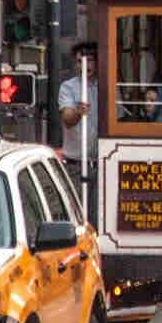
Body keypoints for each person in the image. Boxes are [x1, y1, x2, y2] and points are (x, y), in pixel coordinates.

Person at [58, 40, 99, 224]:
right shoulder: (68, 87)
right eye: (80, 61)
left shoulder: (105, 87)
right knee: (76, 217)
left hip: (101, 164)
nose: (85, 65)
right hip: (75, 165)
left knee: (98, 217)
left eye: (90, 60)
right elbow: (67, 119)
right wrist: (77, 112)